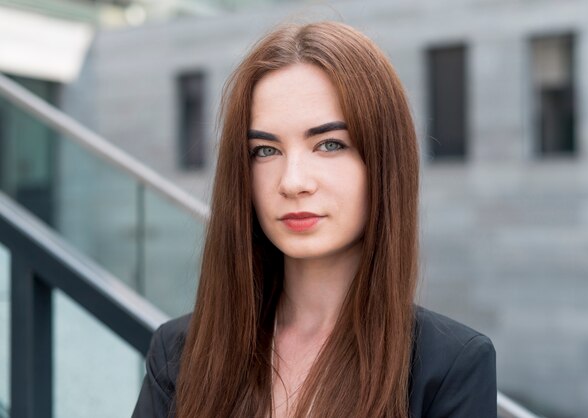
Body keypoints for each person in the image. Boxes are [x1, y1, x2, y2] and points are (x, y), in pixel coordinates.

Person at [132, 21, 496, 418]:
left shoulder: (448, 366)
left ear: (383, 162)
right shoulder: (180, 351)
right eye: (265, 150)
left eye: (329, 144)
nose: (292, 182)